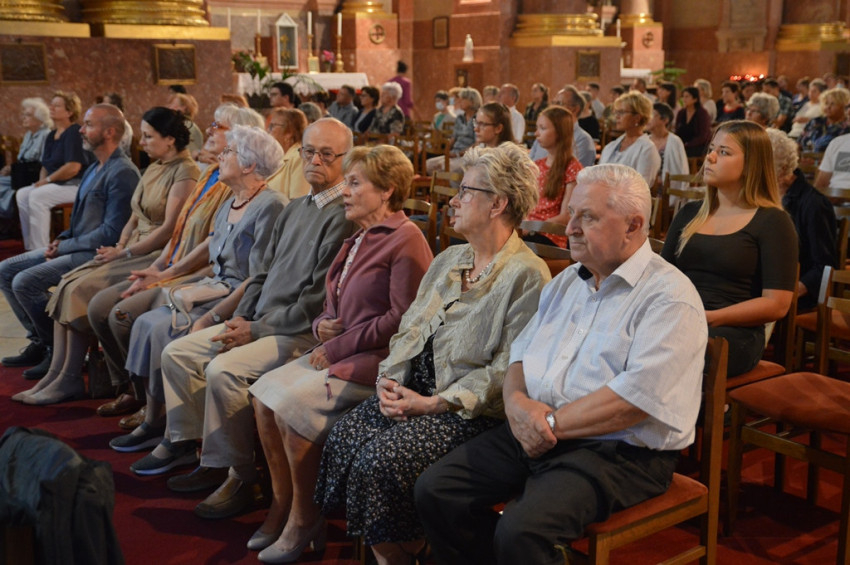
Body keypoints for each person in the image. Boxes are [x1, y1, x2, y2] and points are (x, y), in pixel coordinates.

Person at [415, 164, 708, 565]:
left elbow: (636, 399)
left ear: (633, 225)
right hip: (540, 426)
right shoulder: (568, 281)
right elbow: (520, 355)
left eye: (588, 217)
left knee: (522, 532)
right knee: (436, 490)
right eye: (572, 214)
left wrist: (548, 425)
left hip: (619, 451)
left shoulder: (669, 296)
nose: (570, 228)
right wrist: (517, 405)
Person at [315, 142, 550, 565]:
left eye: (465, 191)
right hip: (414, 391)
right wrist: (389, 379)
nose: (453, 201)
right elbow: (408, 329)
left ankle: (401, 553)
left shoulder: (527, 274)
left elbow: (505, 370)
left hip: (466, 410)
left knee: (380, 461)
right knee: (345, 436)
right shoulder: (451, 259)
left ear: (497, 203)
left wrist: (432, 403)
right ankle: (408, 547)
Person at [141, 118, 356, 516]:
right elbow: (260, 274)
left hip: (299, 331)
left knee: (224, 371)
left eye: (327, 154)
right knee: (178, 354)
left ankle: (242, 477)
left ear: (347, 158)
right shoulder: (296, 207)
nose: (314, 161)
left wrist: (254, 329)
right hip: (262, 321)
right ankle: (203, 454)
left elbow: (314, 302)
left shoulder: (343, 215)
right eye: (309, 151)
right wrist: (239, 318)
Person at [248, 145, 433, 560]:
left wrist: (336, 345)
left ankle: (304, 518)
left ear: (386, 190)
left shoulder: (406, 238)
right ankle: (283, 505)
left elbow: (402, 320)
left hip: (379, 362)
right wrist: (321, 325)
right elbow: (330, 301)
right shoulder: (359, 235)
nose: (344, 191)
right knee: (262, 397)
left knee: (291, 408)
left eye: (354, 183)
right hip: (341, 349)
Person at [106, 126, 287, 475]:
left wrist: (212, 317)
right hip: (213, 287)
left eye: (229, 152)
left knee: (163, 331)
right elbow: (212, 249)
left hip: (237, 299)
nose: (221, 156)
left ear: (249, 165)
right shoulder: (231, 199)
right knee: (146, 323)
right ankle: (157, 420)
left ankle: (180, 440)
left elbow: (257, 277)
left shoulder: (271, 205)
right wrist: (168, 274)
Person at [87, 104, 261, 422]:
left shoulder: (234, 186)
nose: (208, 130)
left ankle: (154, 403)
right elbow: (180, 230)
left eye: (218, 126)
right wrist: (157, 267)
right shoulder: (210, 173)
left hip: (200, 273)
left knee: (123, 315)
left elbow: (215, 251)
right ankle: (135, 391)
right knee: (101, 306)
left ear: (242, 140)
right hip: (175, 263)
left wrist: (163, 272)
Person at [12, 107, 199, 403]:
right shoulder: (155, 166)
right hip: (131, 247)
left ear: (170, 139)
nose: (141, 142)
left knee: (78, 290)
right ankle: (58, 374)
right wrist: (120, 245)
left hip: (154, 253)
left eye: (148, 136)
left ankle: (72, 378)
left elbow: (169, 229)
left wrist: (125, 252)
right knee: (67, 284)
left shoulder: (185, 171)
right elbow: (134, 216)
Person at [0, 105, 139, 375]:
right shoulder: (94, 166)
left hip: (96, 253)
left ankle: (54, 349)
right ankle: (39, 340)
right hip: (75, 245)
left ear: (110, 132)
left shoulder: (122, 172)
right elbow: (77, 218)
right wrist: (61, 238)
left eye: (89, 125)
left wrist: (65, 246)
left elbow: (111, 232)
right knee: (6, 270)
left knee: (25, 281)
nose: (81, 131)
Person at [661, 120, 797, 376]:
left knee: (670, 353)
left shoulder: (773, 221)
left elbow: (777, 304)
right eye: (712, 149)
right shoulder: (689, 213)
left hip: (734, 331)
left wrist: (710, 316)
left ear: (751, 164)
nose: (710, 157)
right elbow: (662, 276)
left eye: (724, 152)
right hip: (683, 317)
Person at [768, 128, 836, 312]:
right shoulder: (761, 197)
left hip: (796, 295)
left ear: (782, 169)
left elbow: (823, 267)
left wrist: (787, 294)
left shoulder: (814, 204)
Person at [16, 91, 88, 251]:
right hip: (56, 184)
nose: (51, 108)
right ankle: (29, 248)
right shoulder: (51, 135)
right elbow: (45, 166)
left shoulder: (74, 132)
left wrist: (47, 181)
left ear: (69, 112)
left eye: (57, 105)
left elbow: (73, 167)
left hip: (75, 185)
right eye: (51, 104)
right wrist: (41, 182)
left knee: (37, 196)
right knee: (22, 194)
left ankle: (40, 250)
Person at [525, 105, 582, 248]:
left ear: (559, 132)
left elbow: (566, 216)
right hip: (529, 230)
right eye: (537, 128)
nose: (536, 133)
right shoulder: (538, 165)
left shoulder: (572, 167)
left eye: (543, 128)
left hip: (550, 235)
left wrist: (532, 228)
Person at [0, 98, 51, 221]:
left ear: (40, 118)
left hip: (34, 177)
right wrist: (11, 168)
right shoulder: (28, 134)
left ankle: (7, 219)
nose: (23, 118)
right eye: (23, 114)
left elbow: (41, 164)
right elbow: (22, 160)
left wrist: (13, 169)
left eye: (28, 115)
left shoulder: (46, 135)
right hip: (22, 175)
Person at [599, 91, 661, 188]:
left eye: (621, 112)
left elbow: (641, 187)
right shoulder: (611, 146)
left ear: (637, 118)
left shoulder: (647, 149)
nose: (617, 117)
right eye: (616, 112)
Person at [529, 86, 596, 168]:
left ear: (575, 109)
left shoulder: (583, 140)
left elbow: (577, 172)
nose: (553, 108)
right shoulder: (545, 134)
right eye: (553, 103)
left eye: (559, 103)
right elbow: (529, 162)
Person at [425, 87, 480, 174]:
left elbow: (477, 143)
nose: (460, 101)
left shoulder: (477, 119)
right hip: (455, 153)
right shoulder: (460, 118)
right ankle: (440, 182)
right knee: (428, 164)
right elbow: (453, 138)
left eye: (463, 99)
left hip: (467, 155)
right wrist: (446, 151)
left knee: (446, 168)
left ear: (472, 101)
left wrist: (459, 154)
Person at [265, 107, 311, 202]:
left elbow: (298, 201)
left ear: (289, 132)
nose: (267, 130)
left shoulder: (299, 158)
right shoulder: (276, 156)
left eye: (272, 126)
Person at [648, 102, 689, 191]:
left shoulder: (675, 141)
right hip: (646, 188)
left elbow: (682, 169)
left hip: (667, 190)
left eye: (652, 115)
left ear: (665, 120)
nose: (648, 119)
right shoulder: (645, 141)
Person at [798, 87, 850, 152]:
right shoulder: (816, 121)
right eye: (826, 103)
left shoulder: (846, 127)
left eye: (833, 104)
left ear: (843, 106)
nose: (828, 107)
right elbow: (799, 142)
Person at [675, 86, 713, 158]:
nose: (684, 99)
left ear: (695, 99)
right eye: (683, 96)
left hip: (698, 145)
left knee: (682, 154)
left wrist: (688, 144)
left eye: (687, 97)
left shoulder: (702, 113)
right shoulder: (681, 112)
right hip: (682, 144)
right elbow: (677, 130)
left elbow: (703, 136)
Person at [167, 92, 204, 158]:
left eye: (172, 104)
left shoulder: (186, 127)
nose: (168, 107)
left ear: (184, 108)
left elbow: (190, 153)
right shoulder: (180, 124)